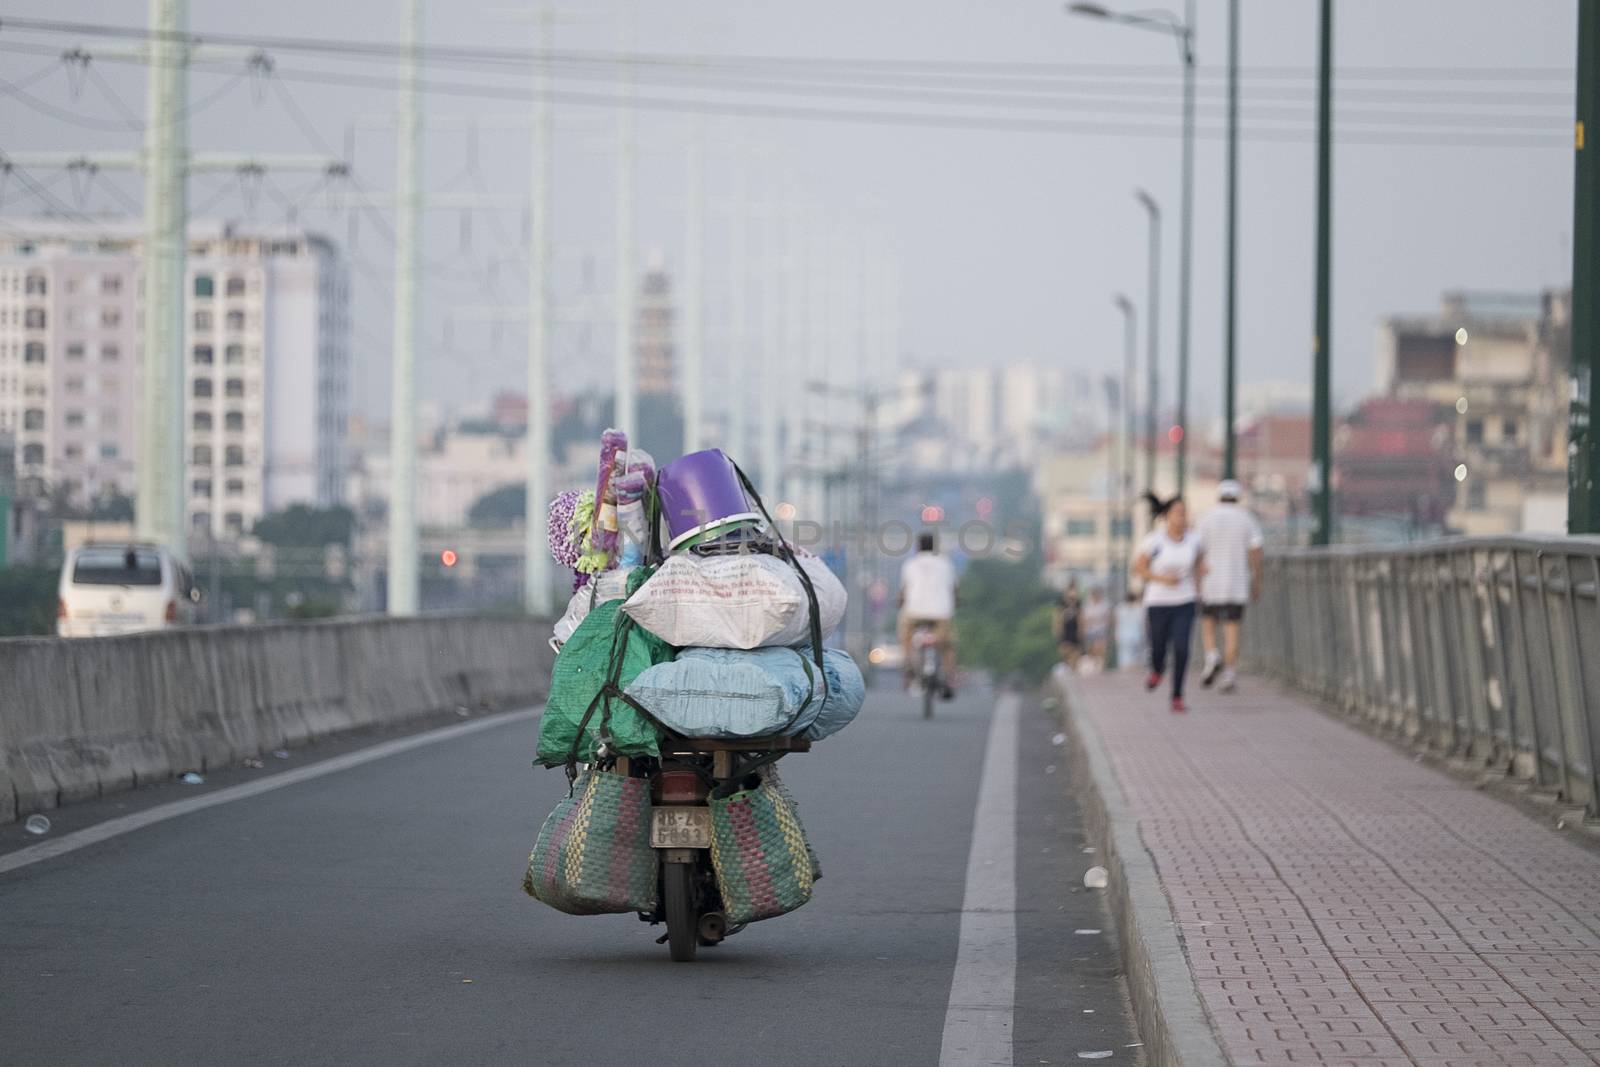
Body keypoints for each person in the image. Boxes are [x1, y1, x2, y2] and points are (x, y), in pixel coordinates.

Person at [1133, 494, 1206, 713]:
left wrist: (1199, 588)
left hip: (1184, 600)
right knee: (1158, 647)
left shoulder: (1194, 540)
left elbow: (1199, 563)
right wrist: (1163, 579)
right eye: (1177, 513)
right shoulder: (1154, 541)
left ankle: (1177, 696)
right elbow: (1139, 568)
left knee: (1182, 648)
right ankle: (1157, 669)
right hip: (1158, 601)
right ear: (1167, 516)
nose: (1181, 517)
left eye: (1184, 513)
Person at [1197, 479, 1265, 693]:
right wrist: (1256, 578)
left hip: (1211, 583)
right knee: (1232, 630)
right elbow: (1255, 550)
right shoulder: (1246, 518)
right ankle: (1229, 675)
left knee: (1208, 624)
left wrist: (1197, 580)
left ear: (1219, 496)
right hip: (1237, 582)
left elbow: (1197, 550)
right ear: (1237, 497)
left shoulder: (1205, 518)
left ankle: (1212, 655)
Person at [899, 531, 958, 698]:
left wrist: (900, 601)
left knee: (906, 637)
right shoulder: (946, 563)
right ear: (935, 547)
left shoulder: (910, 564)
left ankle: (909, 666)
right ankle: (949, 677)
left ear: (918, 547)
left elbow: (903, 591)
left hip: (914, 612)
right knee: (947, 646)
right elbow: (954, 589)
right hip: (941, 613)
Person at [1054, 580, 1083, 669]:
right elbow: (1057, 618)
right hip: (1065, 631)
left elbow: (1080, 618)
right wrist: (1057, 630)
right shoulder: (1061, 604)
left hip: (1075, 630)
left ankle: (1073, 669)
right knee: (1065, 653)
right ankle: (1066, 668)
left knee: (1076, 653)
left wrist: (1081, 631)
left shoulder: (1078, 603)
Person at [1114, 591, 1145, 671]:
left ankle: (1124, 675)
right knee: (1137, 658)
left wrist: (1116, 634)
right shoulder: (1139, 608)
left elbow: (1116, 623)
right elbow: (1143, 623)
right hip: (1137, 635)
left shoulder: (1120, 608)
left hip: (1123, 635)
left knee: (1124, 658)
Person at [1081, 587, 1111, 669]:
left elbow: (1108, 618)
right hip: (1090, 631)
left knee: (1101, 651)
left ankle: (1102, 666)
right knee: (1092, 651)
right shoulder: (1087, 605)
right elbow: (1084, 619)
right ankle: (1093, 667)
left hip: (1102, 630)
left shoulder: (1105, 605)